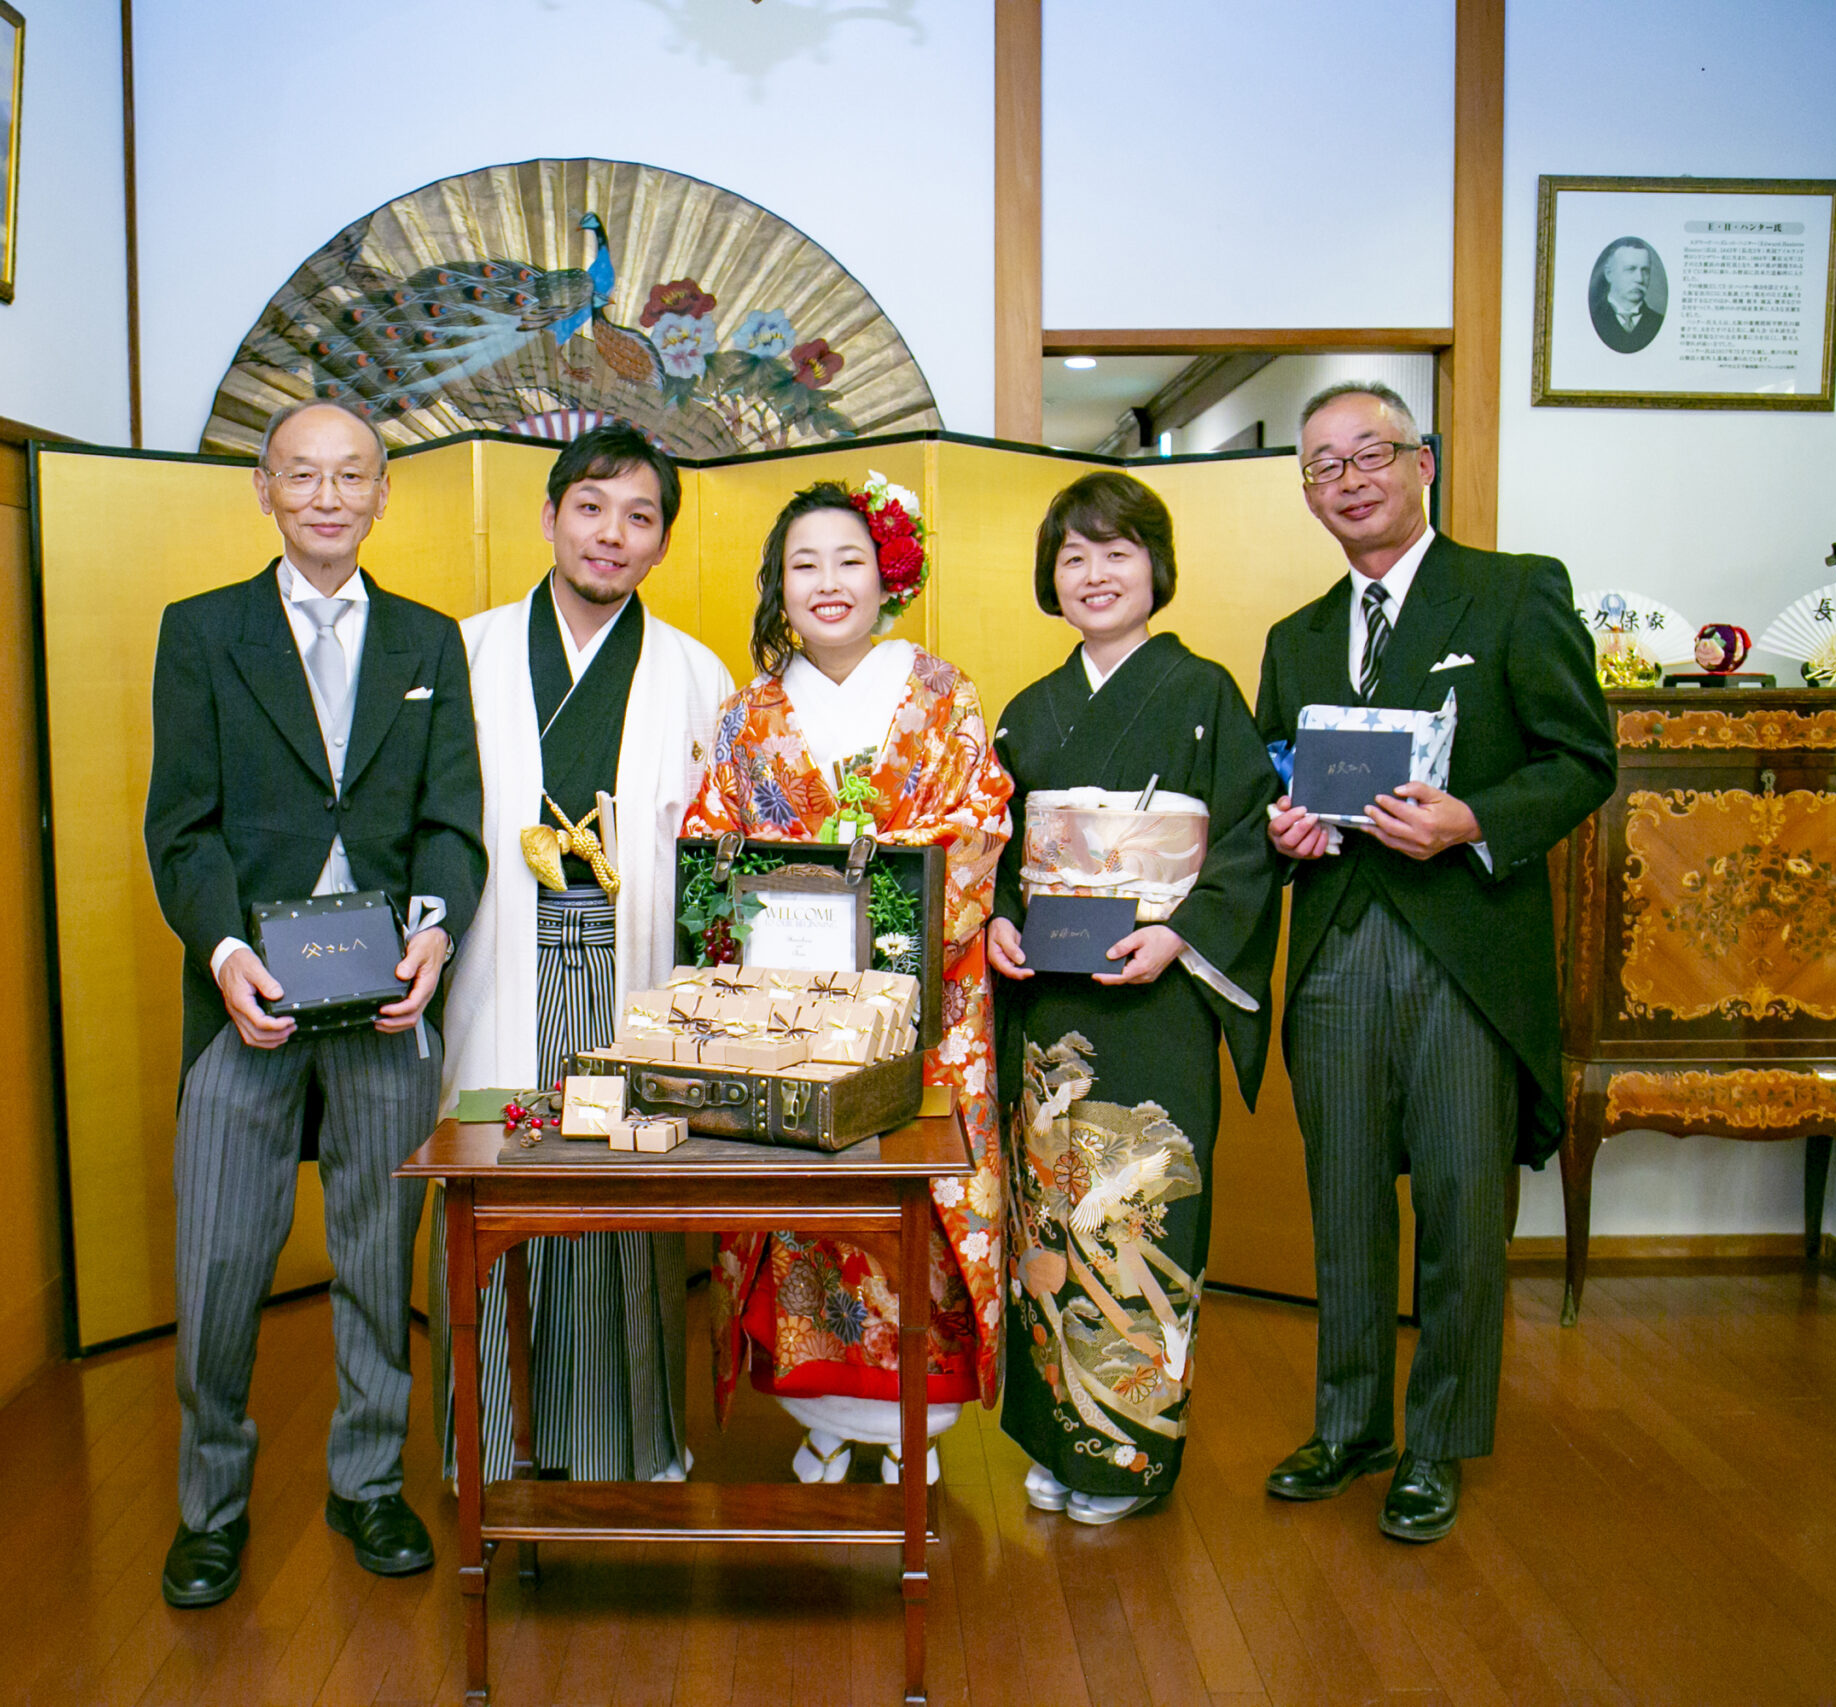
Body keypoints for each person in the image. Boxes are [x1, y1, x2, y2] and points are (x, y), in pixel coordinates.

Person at [1254, 381, 1613, 1543]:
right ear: (1307, 493)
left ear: (1424, 463)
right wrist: (1283, 830)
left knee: (1462, 1207)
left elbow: (1582, 759)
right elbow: (1274, 777)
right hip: (1335, 951)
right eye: (1322, 466)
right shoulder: (1296, 637)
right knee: (1344, 1201)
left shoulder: (1513, 592)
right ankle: (1349, 1424)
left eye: (1371, 454)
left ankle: (1439, 1441)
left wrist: (1474, 821)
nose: (1348, 480)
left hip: (1464, 950)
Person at [144, 398, 486, 1605]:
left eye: (351, 476)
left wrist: (435, 933)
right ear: (264, 490)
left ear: (383, 493)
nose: (328, 497)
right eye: (303, 475)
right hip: (251, 995)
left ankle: (369, 1484)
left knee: (375, 1258)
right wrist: (224, 951)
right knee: (219, 1264)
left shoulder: (428, 642)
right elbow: (180, 827)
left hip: (384, 1003)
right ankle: (211, 1505)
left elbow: (451, 823)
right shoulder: (201, 631)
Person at [681, 478, 1013, 1484]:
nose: (827, 582)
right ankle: (819, 1415)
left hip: (922, 1008)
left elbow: (979, 826)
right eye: (804, 564)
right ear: (778, 587)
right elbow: (711, 840)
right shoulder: (746, 718)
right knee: (805, 1206)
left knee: (912, 1198)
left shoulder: (944, 695)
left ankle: (918, 1424)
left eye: (848, 560)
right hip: (788, 1012)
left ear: (886, 576)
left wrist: (877, 923)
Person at [437, 421, 733, 1486]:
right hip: (499, 967)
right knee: (497, 1186)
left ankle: (630, 1445)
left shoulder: (696, 673)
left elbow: (713, 866)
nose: (612, 534)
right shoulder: (465, 652)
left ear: (662, 542)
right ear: (550, 516)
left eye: (639, 516)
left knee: (624, 1199)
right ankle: (492, 1457)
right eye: (591, 507)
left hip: (634, 973)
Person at [984, 472, 1282, 1524]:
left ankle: (1125, 1453)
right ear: (1050, 578)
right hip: (1049, 999)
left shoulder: (1203, 693)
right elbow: (992, 851)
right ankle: (1056, 1433)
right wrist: (997, 919)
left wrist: (1181, 932)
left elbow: (1246, 840)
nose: (1095, 574)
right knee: (1047, 1213)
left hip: (1156, 998)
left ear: (1155, 568)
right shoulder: (1028, 712)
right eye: (1074, 556)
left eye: (1117, 552)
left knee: (1138, 1216)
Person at [1589, 239, 1663, 353]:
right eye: (1630, 269)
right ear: (1609, 274)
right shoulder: (1592, 318)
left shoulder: (1658, 322)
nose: (1639, 279)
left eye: (1645, 271)